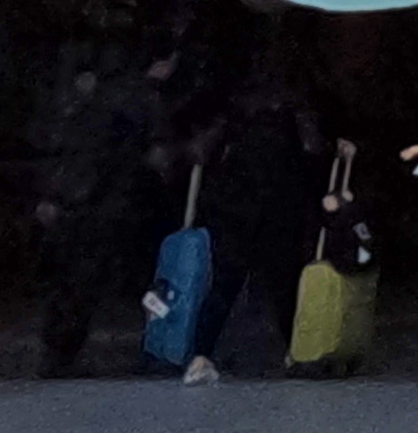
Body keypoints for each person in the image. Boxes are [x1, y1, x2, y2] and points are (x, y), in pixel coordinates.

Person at [26, 55, 162, 378]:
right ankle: (66, 350)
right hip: (104, 204)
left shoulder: (89, 108)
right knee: (88, 282)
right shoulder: (130, 102)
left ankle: (60, 351)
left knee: (72, 283)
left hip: (89, 205)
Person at [181, 78, 318, 384]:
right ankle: (296, 352)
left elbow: (203, 154)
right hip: (273, 212)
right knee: (283, 286)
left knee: (225, 285)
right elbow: (310, 156)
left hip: (238, 211)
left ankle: (201, 355)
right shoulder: (290, 120)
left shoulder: (234, 118)